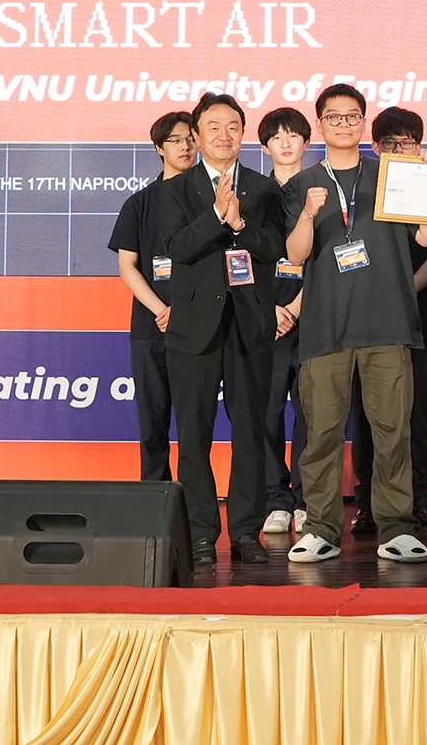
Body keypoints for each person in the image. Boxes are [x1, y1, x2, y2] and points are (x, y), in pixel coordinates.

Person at [282, 85, 427, 564]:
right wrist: (308, 214)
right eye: (334, 117)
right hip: (325, 327)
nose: (344, 124)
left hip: (387, 323)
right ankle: (321, 528)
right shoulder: (302, 184)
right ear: (320, 124)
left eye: (352, 117)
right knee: (322, 435)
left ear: (363, 123)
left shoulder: (392, 173)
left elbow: (425, 237)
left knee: (393, 432)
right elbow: (295, 254)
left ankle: (397, 528)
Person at [161, 94, 288, 567]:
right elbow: (176, 247)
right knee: (194, 435)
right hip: (193, 328)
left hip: (249, 325)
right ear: (197, 134)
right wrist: (216, 218)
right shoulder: (175, 189)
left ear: (243, 133)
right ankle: (199, 533)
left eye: (233, 126)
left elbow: (274, 246)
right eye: (213, 126)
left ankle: (246, 532)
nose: (223, 135)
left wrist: (240, 224)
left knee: (251, 432)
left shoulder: (264, 188)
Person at [349, 106, 427, 536]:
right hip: (366, 320)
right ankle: (368, 504)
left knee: (416, 415)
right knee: (367, 417)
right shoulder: (360, 186)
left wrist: (404, 290)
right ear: (375, 146)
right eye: (388, 142)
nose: (397, 149)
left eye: (406, 142)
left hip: (417, 318)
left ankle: (419, 500)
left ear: (418, 145)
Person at [106, 111, 197, 484]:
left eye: (191, 138)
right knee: (153, 421)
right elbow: (127, 266)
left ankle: (194, 499)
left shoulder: (213, 199)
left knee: (195, 425)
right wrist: (163, 310)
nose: (185, 146)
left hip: (199, 328)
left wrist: (187, 311)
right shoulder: (140, 204)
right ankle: (155, 499)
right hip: (152, 327)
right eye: (175, 140)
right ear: (160, 147)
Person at [258, 107, 313, 537]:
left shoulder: (320, 189)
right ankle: (276, 500)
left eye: (292, 135)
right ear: (265, 147)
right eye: (276, 137)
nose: (285, 143)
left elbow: (328, 256)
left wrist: (295, 306)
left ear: (306, 142)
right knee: (267, 413)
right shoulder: (253, 194)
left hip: (312, 317)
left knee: (312, 414)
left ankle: (306, 500)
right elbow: (241, 258)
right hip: (265, 320)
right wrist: (270, 309)